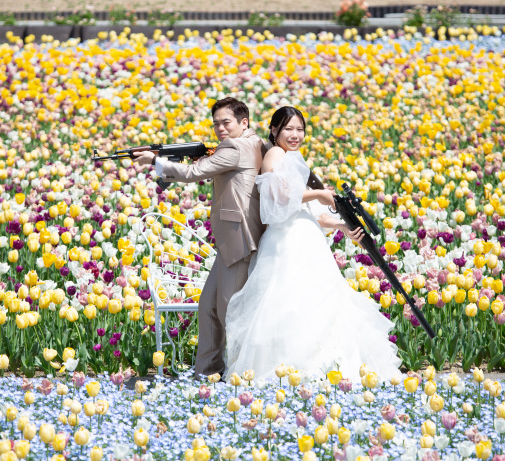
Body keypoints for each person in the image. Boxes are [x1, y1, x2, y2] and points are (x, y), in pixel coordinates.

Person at [224, 106, 401, 382]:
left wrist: (341, 226)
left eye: (300, 129)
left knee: (321, 303)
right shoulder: (274, 154)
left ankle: (323, 370)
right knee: (290, 304)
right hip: (286, 243)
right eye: (288, 129)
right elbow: (279, 199)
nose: (295, 135)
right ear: (274, 130)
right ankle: (293, 370)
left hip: (307, 239)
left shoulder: (293, 157)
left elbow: (305, 209)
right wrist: (319, 193)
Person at [133, 97, 265, 377]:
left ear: (244, 122)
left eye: (226, 122)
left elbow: (194, 172)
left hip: (239, 240)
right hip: (232, 240)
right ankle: (206, 371)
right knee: (208, 306)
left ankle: (239, 374)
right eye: (216, 124)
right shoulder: (254, 141)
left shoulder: (235, 146)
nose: (220, 129)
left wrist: (155, 160)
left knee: (229, 311)